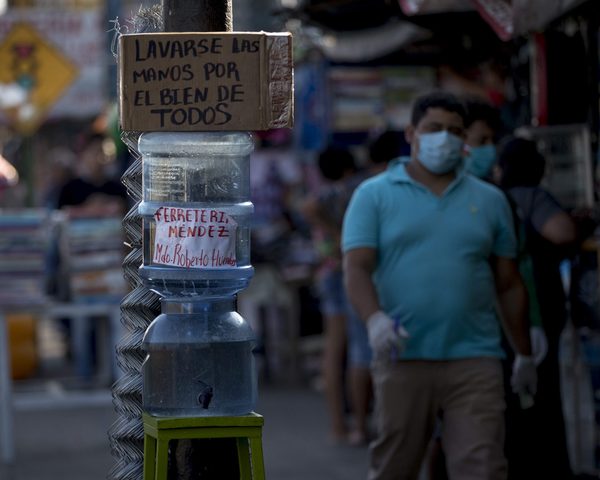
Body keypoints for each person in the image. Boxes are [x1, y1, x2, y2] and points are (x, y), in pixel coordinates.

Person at [342, 90, 536, 480]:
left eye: (454, 131)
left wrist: (525, 353)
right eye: (434, 128)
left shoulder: (490, 200)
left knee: (482, 466)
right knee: (396, 465)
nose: (444, 138)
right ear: (412, 133)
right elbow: (357, 267)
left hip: (475, 358)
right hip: (402, 354)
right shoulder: (374, 195)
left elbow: (509, 283)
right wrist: (374, 320)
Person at [497, 136, 577, 480]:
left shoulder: (491, 199)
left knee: (518, 398)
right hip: (534, 314)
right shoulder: (532, 197)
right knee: (540, 397)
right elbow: (562, 231)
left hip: (509, 318)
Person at [302, 145, 372, 446]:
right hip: (348, 272)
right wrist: (339, 231)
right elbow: (309, 207)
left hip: (329, 271)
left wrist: (328, 230)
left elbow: (308, 209)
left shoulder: (330, 192)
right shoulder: (351, 189)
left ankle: (338, 425)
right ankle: (358, 425)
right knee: (358, 349)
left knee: (335, 348)